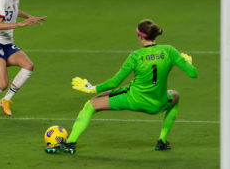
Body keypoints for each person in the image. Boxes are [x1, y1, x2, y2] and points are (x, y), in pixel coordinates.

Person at [45, 19, 198, 154]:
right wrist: (187, 62)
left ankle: (70, 143)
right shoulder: (169, 50)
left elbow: (114, 83)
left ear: (140, 36)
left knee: (90, 105)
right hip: (158, 103)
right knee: (175, 96)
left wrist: (91, 88)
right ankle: (162, 141)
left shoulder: (135, 56)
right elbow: (193, 74)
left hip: (132, 99)